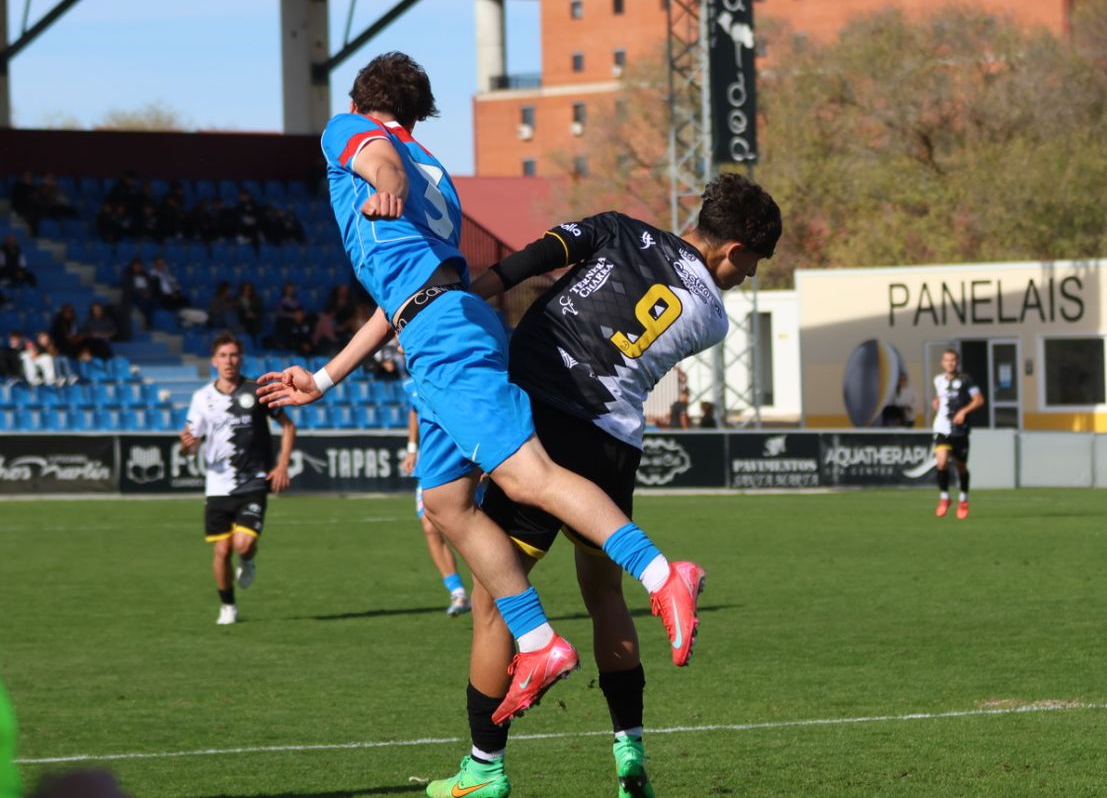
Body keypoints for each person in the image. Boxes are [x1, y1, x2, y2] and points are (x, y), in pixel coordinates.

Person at [257, 51, 707, 727]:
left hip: (443, 334)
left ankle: (662, 574)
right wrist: (323, 378)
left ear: (359, 101)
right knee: (444, 502)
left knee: (529, 477)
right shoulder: (436, 173)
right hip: (442, 319)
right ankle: (537, 640)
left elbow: (377, 160)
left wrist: (383, 185)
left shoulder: (352, 132)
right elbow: (401, 296)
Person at [423, 173, 782, 798]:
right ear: (733, 250)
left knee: (494, 600)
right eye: (753, 264)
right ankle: (629, 752)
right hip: (614, 444)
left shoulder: (620, 229)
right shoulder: (713, 317)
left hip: (546, 421)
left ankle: (483, 769)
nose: (748, 276)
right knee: (604, 594)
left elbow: (539, 257)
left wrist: (476, 295)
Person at [181, 332, 295, 625]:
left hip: (253, 480)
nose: (229, 361)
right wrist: (186, 445)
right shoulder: (201, 398)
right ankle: (228, 606)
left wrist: (282, 465)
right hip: (217, 485)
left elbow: (288, 426)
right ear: (214, 361)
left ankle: (247, 559)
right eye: (223, 356)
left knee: (242, 544)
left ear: (240, 359)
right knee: (222, 549)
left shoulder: (256, 390)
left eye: (233, 355)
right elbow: (190, 445)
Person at [399, 372, 473, 617]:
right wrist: (412, 449)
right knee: (430, 526)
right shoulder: (410, 383)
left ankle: (491, 593)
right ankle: (457, 592)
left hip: (468, 458)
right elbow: (414, 410)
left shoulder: (453, 374)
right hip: (431, 462)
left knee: (473, 528)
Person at [929, 348, 983, 520]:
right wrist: (936, 402)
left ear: (957, 362)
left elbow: (979, 400)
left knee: (961, 467)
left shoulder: (966, 380)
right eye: (947, 360)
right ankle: (944, 498)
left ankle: (963, 499)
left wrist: (963, 412)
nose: (950, 363)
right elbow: (941, 397)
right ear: (942, 363)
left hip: (960, 430)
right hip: (942, 428)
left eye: (953, 360)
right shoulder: (938, 380)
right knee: (942, 462)